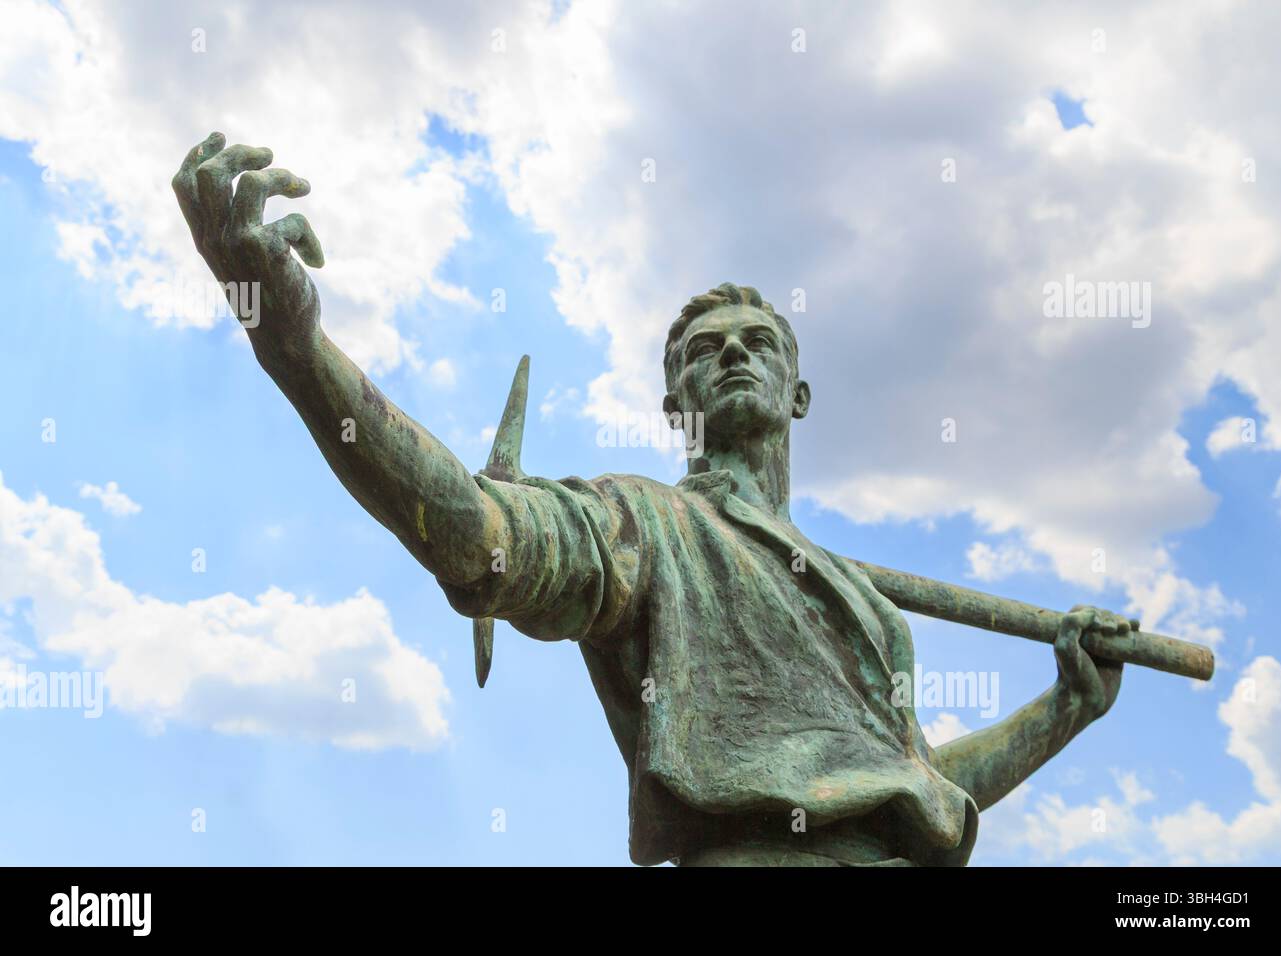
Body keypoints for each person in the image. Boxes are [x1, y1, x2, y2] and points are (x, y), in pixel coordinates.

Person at [172, 133, 1130, 866]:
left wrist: (1063, 711)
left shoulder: (875, 617)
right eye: (703, 353)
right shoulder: (644, 525)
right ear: (677, 403)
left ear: (798, 394)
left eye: (758, 341)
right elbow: (484, 534)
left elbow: (914, 791)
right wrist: (294, 348)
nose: (733, 354)